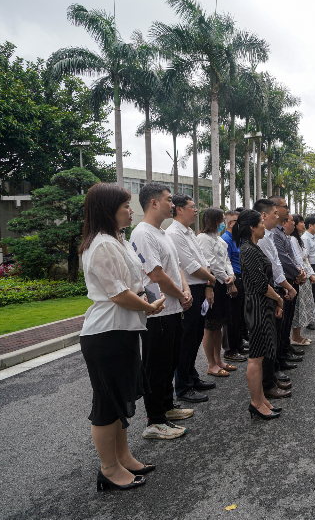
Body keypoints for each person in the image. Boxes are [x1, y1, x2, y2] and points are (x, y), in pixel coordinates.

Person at [79, 182, 165, 491]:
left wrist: (145, 302)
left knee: (120, 398)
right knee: (107, 402)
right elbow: (117, 293)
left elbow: (133, 282)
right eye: (125, 206)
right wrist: (148, 307)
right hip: (107, 333)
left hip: (123, 329)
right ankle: (109, 469)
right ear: (108, 210)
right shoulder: (102, 244)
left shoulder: (117, 240)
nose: (131, 211)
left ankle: (123, 457)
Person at [130, 183, 192, 440]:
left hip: (174, 307)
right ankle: (154, 421)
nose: (172, 204)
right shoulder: (143, 234)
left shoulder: (162, 233)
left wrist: (185, 290)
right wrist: (180, 294)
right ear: (154, 203)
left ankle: (167, 407)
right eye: (168, 199)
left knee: (170, 362)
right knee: (156, 366)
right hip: (158, 311)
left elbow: (176, 267)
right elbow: (156, 275)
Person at [165, 194, 217, 404]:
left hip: (200, 287)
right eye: (192, 206)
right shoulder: (174, 233)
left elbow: (203, 261)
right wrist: (212, 279)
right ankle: (183, 386)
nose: (196, 210)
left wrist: (209, 284)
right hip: (188, 289)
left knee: (196, 336)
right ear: (179, 209)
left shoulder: (189, 232)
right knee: (186, 340)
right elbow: (192, 267)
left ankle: (191, 376)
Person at [234, 209, 284, 419]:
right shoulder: (248, 250)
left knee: (261, 355)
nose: (264, 226)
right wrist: (279, 298)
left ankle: (261, 398)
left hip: (263, 305)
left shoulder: (253, 247)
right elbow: (261, 284)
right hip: (257, 306)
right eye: (261, 223)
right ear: (252, 227)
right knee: (255, 357)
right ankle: (256, 403)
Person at [253, 199, 295, 398]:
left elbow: (277, 265)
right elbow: (267, 273)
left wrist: (284, 286)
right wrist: (283, 290)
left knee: (275, 337)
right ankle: (267, 383)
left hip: (275, 289)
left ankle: (271, 376)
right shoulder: (259, 240)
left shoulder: (268, 235)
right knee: (268, 342)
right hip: (266, 294)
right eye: (274, 213)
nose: (277, 216)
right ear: (263, 215)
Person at [196, 208, 237, 377]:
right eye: (220, 220)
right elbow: (210, 263)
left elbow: (226, 260)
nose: (223, 223)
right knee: (209, 326)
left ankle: (218, 360)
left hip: (223, 283)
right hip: (211, 284)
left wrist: (231, 276)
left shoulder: (219, 239)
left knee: (219, 325)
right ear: (212, 220)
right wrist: (226, 277)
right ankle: (211, 364)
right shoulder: (203, 238)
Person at [268, 196, 307, 371]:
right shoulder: (274, 233)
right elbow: (282, 259)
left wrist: (299, 272)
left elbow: (292, 257)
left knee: (287, 320)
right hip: (283, 282)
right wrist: (297, 273)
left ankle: (285, 350)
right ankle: (280, 357)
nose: (288, 210)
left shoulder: (281, 232)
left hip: (290, 279)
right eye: (285, 207)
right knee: (281, 324)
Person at [222, 210, 249, 361]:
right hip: (233, 279)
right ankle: (230, 350)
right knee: (232, 317)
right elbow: (224, 263)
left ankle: (238, 344)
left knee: (239, 316)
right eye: (239, 222)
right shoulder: (226, 239)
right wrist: (231, 284)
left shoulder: (237, 238)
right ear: (231, 223)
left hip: (241, 278)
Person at [288, 214, 315, 345]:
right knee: (298, 307)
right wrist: (307, 274)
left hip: (305, 275)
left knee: (303, 306)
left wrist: (311, 273)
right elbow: (298, 260)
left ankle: (298, 335)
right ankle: (295, 337)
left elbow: (306, 259)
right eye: (301, 222)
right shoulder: (293, 239)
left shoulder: (298, 239)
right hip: (301, 276)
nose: (303, 225)